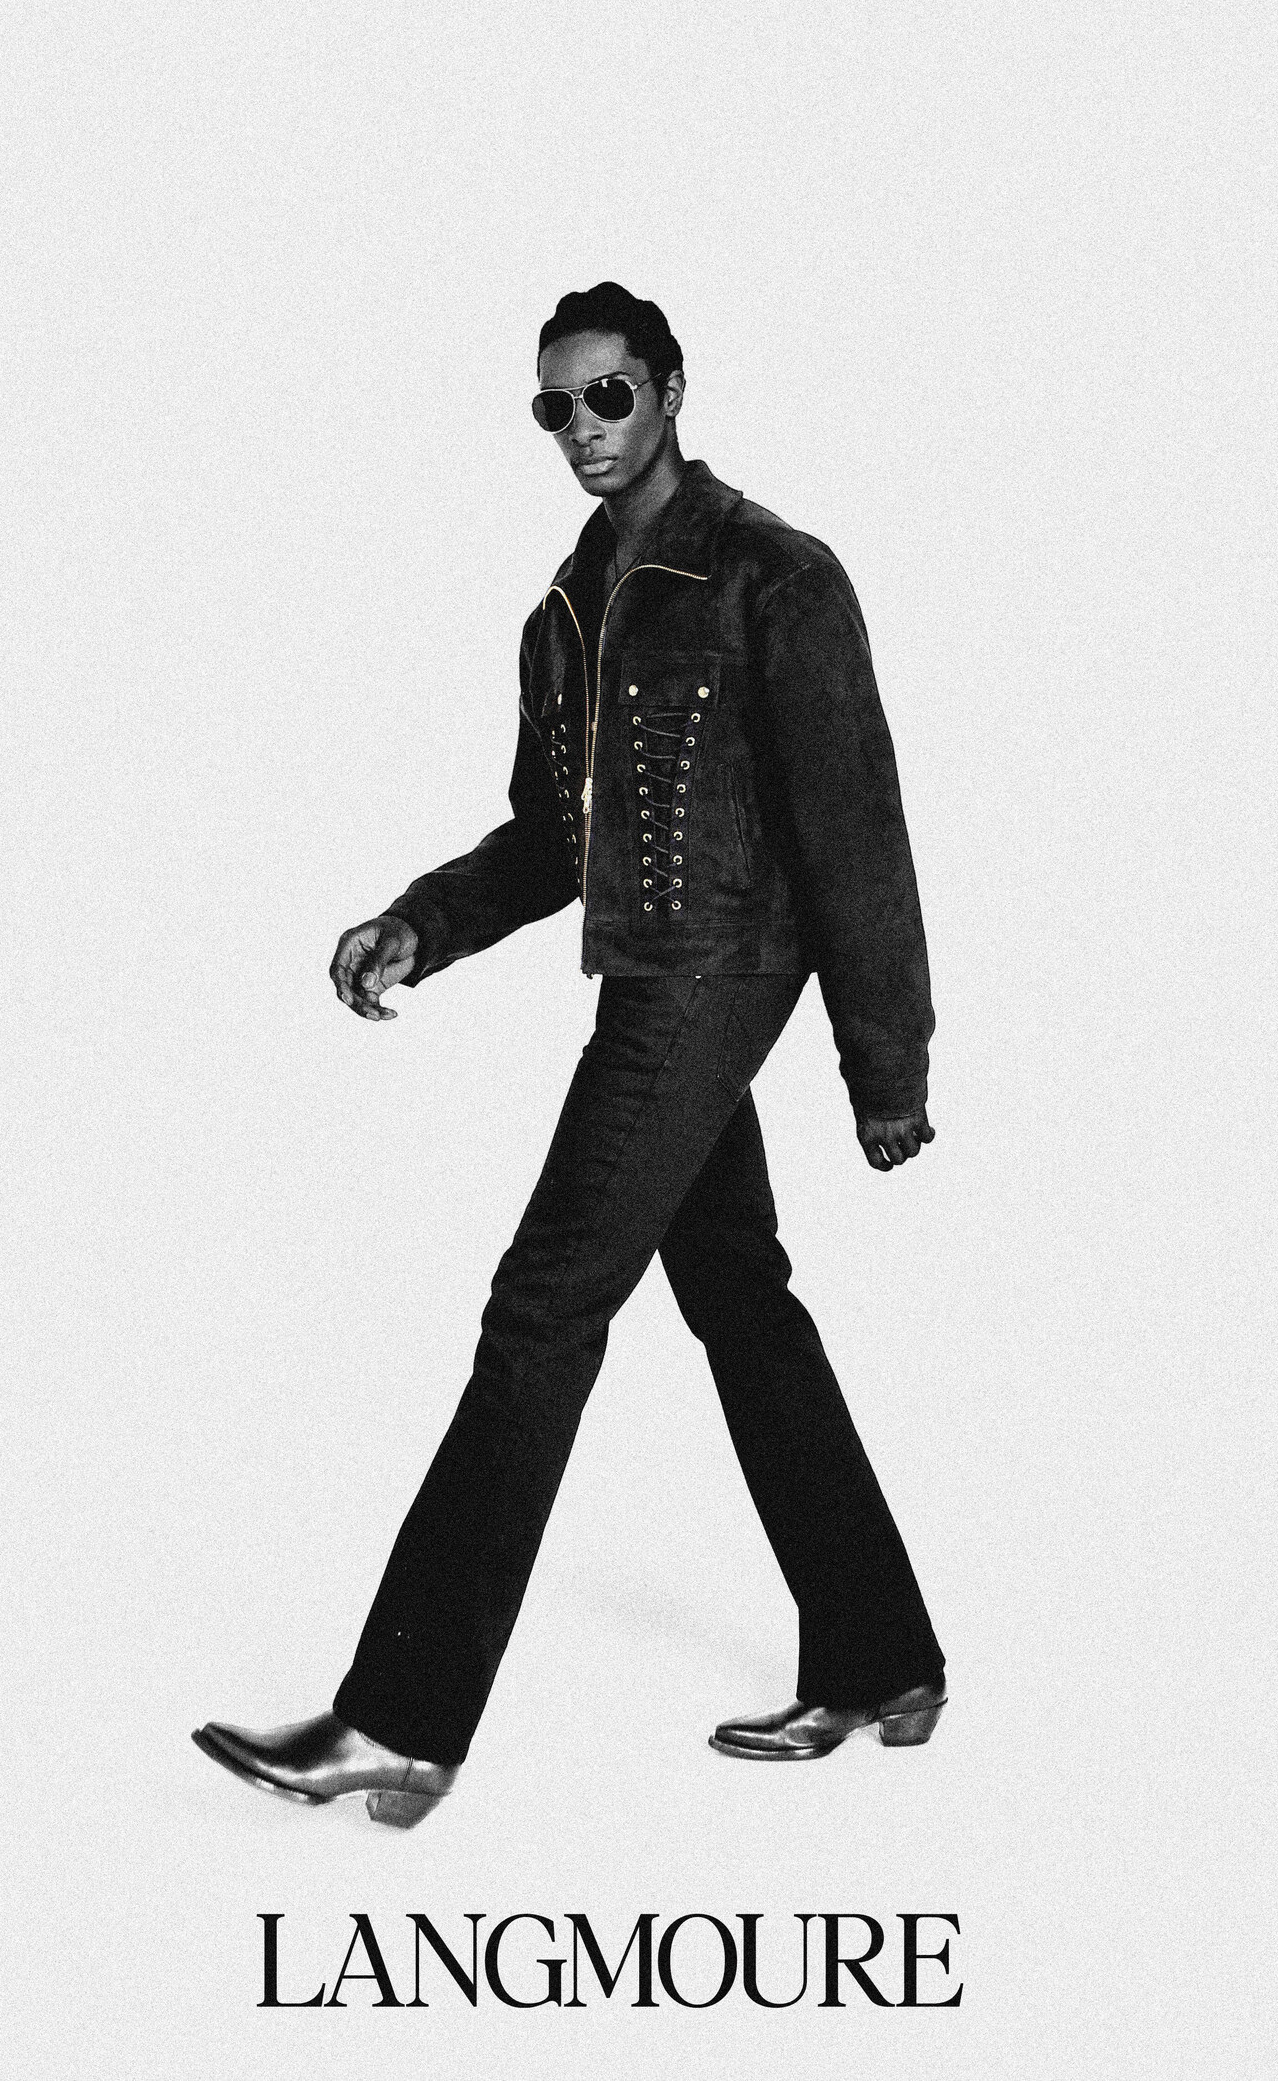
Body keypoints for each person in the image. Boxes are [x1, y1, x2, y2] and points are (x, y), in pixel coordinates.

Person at [192, 282, 946, 1828]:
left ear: (671, 388)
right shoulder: (565, 610)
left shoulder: (775, 577)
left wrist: (888, 1068)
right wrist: (421, 922)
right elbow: (550, 837)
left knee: (540, 1309)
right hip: (651, 982)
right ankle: (883, 1656)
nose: (582, 429)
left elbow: (857, 834)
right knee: (740, 1298)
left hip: (720, 979)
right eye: (555, 406)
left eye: (608, 394)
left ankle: (399, 1719)